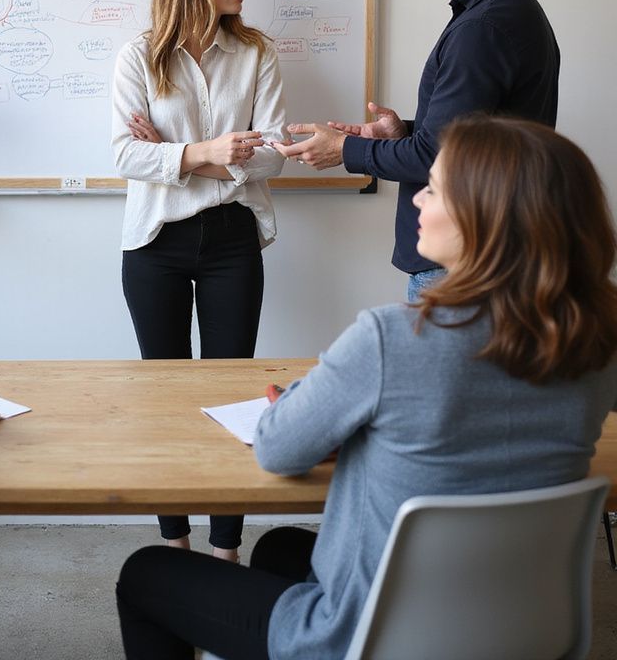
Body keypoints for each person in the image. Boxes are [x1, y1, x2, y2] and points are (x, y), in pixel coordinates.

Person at [116, 116, 617, 660]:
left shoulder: (393, 336)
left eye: (436, 187)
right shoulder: (599, 339)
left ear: (490, 219)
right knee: (282, 548)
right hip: (517, 629)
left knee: (146, 572)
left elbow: (281, 449)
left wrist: (330, 418)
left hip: (367, 635)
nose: (419, 200)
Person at [275, 0, 560, 301]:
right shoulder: (501, 13)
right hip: (479, 260)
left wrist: (344, 150)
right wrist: (400, 133)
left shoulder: (484, 27)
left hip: (461, 269)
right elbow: (473, 139)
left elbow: (436, 158)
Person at [111, 0, 288, 562]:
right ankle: (175, 543)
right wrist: (207, 152)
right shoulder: (139, 56)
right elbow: (124, 153)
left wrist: (176, 155)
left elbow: (273, 156)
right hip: (155, 240)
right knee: (164, 399)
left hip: (233, 237)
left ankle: (226, 548)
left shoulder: (257, 53)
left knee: (233, 397)